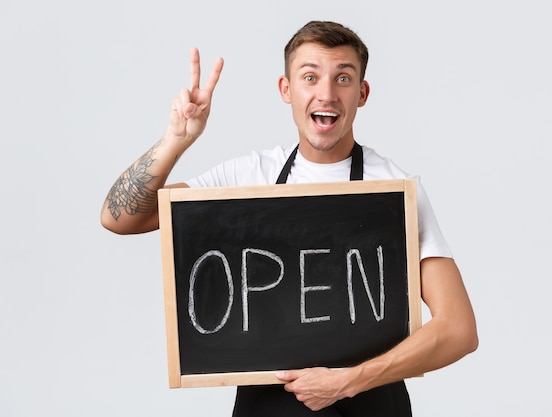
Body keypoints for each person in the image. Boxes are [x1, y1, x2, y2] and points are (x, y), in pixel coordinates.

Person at [101, 20, 478, 417]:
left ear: (362, 93)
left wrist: (346, 381)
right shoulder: (246, 178)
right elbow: (119, 218)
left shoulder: (394, 190)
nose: (326, 94)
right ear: (287, 89)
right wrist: (176, 138)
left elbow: (458, 329)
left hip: (370, 403)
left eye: (343, 78)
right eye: (310, 77)